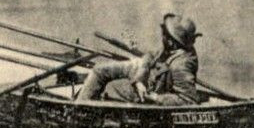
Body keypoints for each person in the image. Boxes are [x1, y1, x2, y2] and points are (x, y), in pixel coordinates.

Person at [74, 13, 205, 105]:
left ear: (172, 41)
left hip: (151, 90)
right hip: (144, 74)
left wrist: (155, 98)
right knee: (99, 70)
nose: (162, 36)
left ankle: (81, 109)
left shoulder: (180, 66)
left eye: (165, 34)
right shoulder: (171, 49)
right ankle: (80, 104)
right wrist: (140, 80)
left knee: (112, 88)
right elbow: (149, 55)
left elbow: (188, 100)